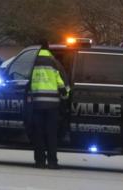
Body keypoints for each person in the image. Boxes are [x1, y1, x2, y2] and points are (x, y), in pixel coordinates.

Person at [30, 40, 69, 169]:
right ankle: (52, 162)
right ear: (48, 47)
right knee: (51, 134)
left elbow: (26, 80)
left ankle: (39, 162)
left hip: (36, 104)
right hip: (52, 105)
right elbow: (60, 79)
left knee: (38, 134)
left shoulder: (32, 61)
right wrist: (65, 94)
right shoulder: (54, 61)